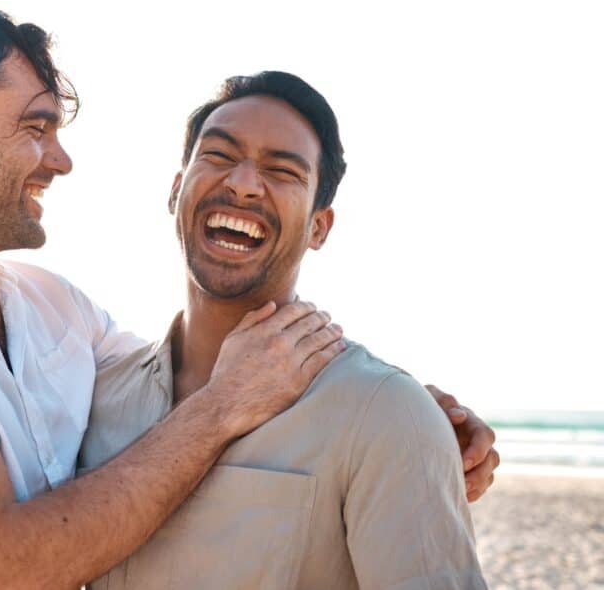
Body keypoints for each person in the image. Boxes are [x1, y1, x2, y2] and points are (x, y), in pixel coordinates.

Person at [0, 3, 497, 589]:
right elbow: (1, 561)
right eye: (36, 128)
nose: (61, 158)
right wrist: (223, 405)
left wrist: (408, 420)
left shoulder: (54, 310)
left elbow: (173, 374)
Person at [79, 71, 490, 589]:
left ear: (320, 227)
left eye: (282, 171)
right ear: (175, 189)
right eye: (220, 156)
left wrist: (413, 425)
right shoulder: (92, 398)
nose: (244, 184)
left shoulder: (387, 414)